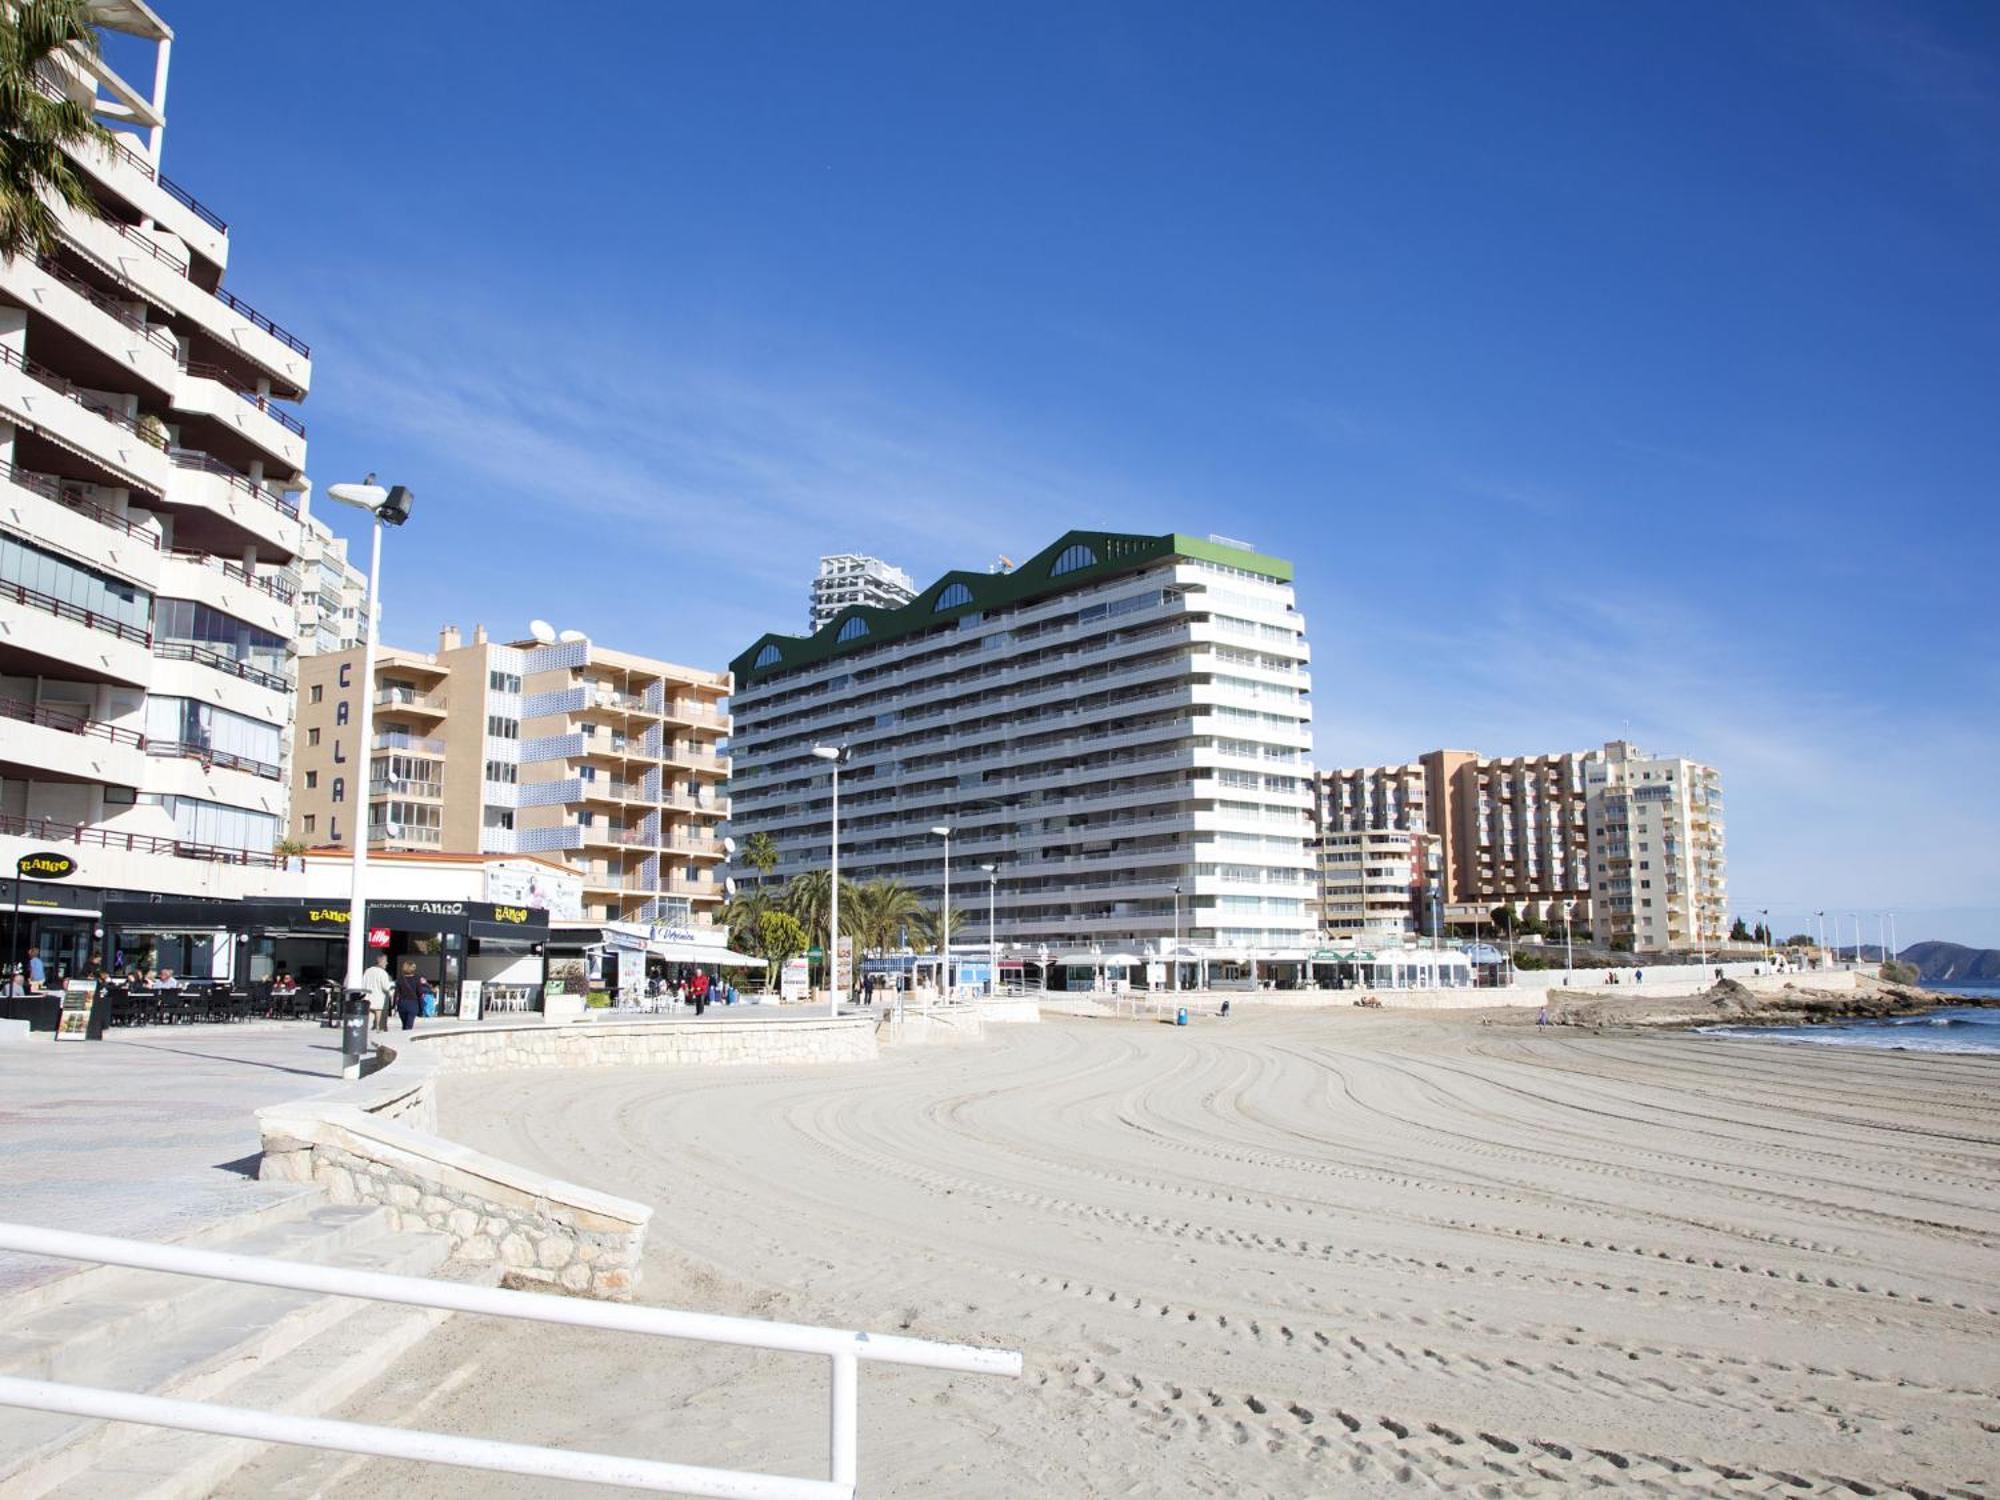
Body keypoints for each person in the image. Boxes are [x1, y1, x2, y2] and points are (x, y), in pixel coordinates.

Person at [362, 954, 395, 1029]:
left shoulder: (368, 971)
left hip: (368, 1000)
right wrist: (392, 985)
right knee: (379, 1026)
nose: (387, 963)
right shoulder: (382, 973)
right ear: (381, 962)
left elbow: (363, 984)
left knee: (368, 1024)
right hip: (379, 1002)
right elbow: (386, 987)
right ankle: (378, 1032)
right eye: (386, 961)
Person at [393, 961, 423, 1032]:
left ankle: (403, 1037)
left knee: (404, 1025)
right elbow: (420, 993)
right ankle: (405, 1038)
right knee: (409, 1025)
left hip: (402, 1003)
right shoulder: (417, 979)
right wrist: (421, 1007)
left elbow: (396, 993)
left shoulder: (400, 979)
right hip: (413, 1003)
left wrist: (393, 1005)